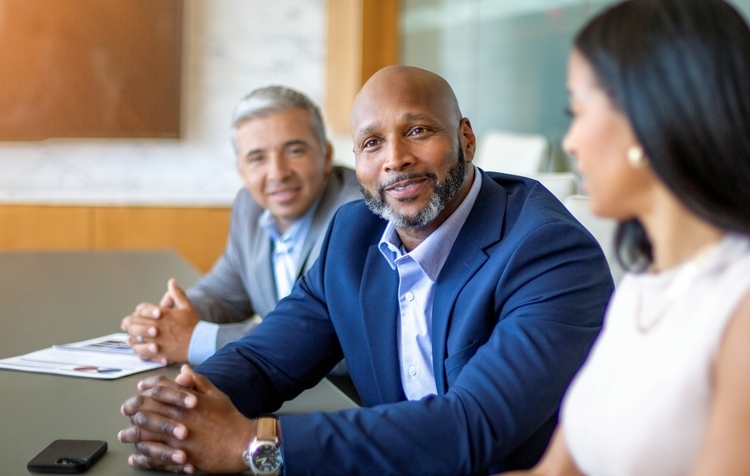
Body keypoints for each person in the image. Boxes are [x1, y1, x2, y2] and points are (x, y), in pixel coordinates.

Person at [117, 65, 614, 475]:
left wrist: (253, 442)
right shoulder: (353, 234)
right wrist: (181, 404)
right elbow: (268, 358)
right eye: (372, 143)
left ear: (465, 137)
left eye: (417, 131)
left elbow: (472, 427)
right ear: (355, 159)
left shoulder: (548, 250)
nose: (395, 159)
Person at [500, 1, 750, 475]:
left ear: (648, 115)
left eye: (578, 111)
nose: (570, 142)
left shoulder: (739, 303)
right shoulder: (641, 284)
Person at [120, 86, 361, 365]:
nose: (278, 173)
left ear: (326, 155)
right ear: (241, 170)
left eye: (295, 151)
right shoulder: (250, 206)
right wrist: (165, 320)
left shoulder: (356, 212)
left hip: (351, 396)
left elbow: (330, 334)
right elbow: (222, 296)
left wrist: (197, 340)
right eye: (257, 158)